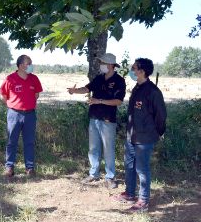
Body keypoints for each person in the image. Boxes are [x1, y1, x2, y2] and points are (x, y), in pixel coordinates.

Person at [114, 58, 166, 212]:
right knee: (129, 165)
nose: (132, 70)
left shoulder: (153, 92)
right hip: (131, 135)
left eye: (134, 68)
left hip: (145, 138)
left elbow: (161, 116)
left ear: (142, 71)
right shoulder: (137, 88)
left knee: (142, 169)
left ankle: (143, 201)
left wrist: (158, 132)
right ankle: (130, 193)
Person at [68, 53, 126, 189]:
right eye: (101, 63)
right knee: (93, 148)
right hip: (94, 118)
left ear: (111, 65)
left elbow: (118, 101)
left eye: (103, 63)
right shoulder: (99, 78)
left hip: (108, 120)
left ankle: (110, 177)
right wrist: (74, 91)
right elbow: (87, 88)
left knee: (108, 149)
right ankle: (93, 174)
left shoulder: (119, 81)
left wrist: (98, 101)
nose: (101, 65)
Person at [0, 55, 43, 177]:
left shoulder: (34, 79)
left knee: (29, 142)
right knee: (11, 141)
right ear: (20, 66)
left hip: (30, 115)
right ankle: (9, 167)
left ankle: (30, 168)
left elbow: (36, 95)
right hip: (14, 114)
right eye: (28, 63)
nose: (30, 65)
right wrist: (13, 105)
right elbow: (4, 95)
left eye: (31, 63)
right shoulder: (10, 79)